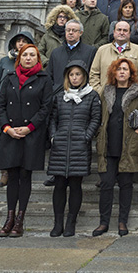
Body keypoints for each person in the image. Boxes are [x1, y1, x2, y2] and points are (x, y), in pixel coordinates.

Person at [0, 44, 53, 238]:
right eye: (25, 55)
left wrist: (30, 127)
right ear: (19, 57)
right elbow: (0, 104)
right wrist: (7, 128)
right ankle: (9, 217)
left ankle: (20, 219)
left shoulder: (44, 80)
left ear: (38, 58)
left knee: (25, 175)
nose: (28, 58)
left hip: (31, 134)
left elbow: (46, 107)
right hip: (10, 133)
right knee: (12, 176)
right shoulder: (9, 78)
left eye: (32, 55)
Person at [92, 58, 138, 237]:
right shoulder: (106, 91)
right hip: (108, 144)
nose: (122, 72)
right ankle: (103, 222)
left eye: (125, 69)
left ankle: (122, 221)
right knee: (106, 184)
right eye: (118, 69)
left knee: (126, 185)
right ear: (113, 72)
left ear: (131, 73)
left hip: (128, 144)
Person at [47, 60, 101, 237]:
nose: (75, 78)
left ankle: (71, 222)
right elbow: (53, 119)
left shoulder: (91, 96)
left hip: (79, 145)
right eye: (71, 74)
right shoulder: (60, 95)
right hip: (61, 144)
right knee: (59, 184)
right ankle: (57, 223)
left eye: (78, 74)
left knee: (76, 185)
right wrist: (54, 136)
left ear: (84, 76)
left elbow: (95, 118)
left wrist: (86, 136)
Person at [0, 32, 33, 188]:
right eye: (18, 41)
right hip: (4, 106)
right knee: (5, 140)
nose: (21, 44)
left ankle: (16, 170)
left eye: (25, 41)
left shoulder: (31, 62)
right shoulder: (5, 61)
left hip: (22, 107)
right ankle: (4, 172)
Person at [89, 21, 138, 94]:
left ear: (130, 33)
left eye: (125, 30)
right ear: (114, 32)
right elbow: (94, 74)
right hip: (104, 97)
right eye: (119, 30)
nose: (121, 33)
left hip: (130, 98)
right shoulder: (102, 50)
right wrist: (99, 92)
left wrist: (135, 93)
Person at [46, 20, 97, 95]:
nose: (70, 33)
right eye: (68, 30)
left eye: (74, 30)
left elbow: (92, 75)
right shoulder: (56, 52)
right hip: (58, 96)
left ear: (80, 33)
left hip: (81, 96)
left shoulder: (90, 51)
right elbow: (49, 75)